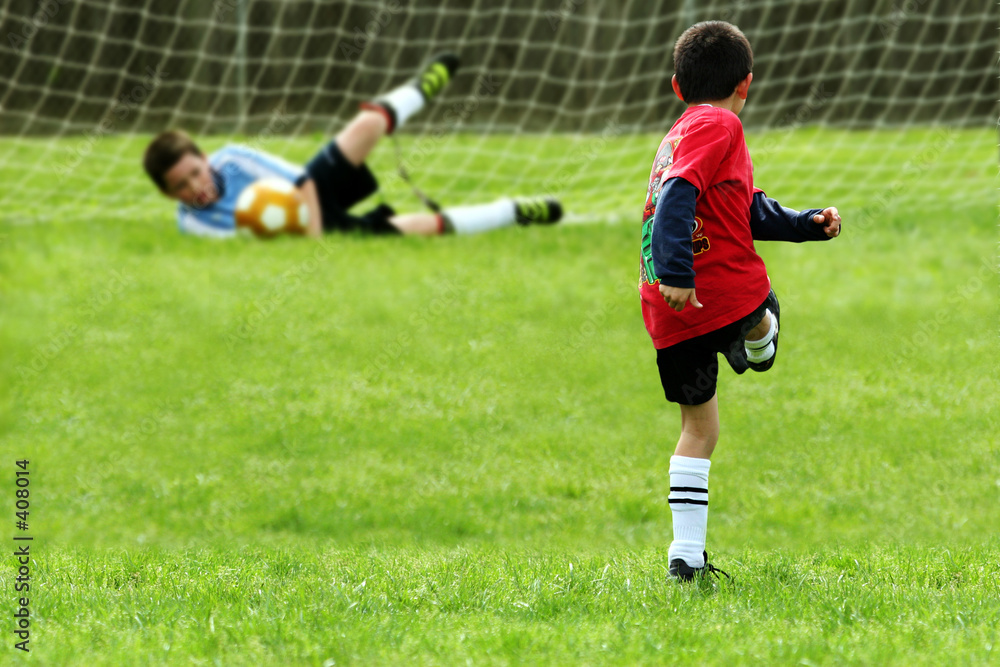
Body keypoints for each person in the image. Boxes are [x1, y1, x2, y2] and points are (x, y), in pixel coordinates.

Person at [638, 21, 842, 581]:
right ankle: (757, 338)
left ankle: (685, 558)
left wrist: (803, 223)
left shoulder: (679, 130)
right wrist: (682, 268)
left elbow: (742, 207)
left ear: (676, 87)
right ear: (746, 83)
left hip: (664, 305)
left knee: (700, 431)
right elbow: (679, 194)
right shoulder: (720, 122)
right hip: (717, 289)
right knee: (758, 305)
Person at [142, 53, 562, 238]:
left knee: (364, 124)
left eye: (195, 172)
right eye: (181, 186)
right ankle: (514, 212)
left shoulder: (233, 158)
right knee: (414, 229)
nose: (195, 187)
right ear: (166, 194)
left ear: (203, 157)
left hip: (309, 199)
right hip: (286, 232)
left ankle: (419, 89)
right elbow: (246, 248)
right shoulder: (192, 225)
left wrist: (313, 241)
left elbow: (303, 180)